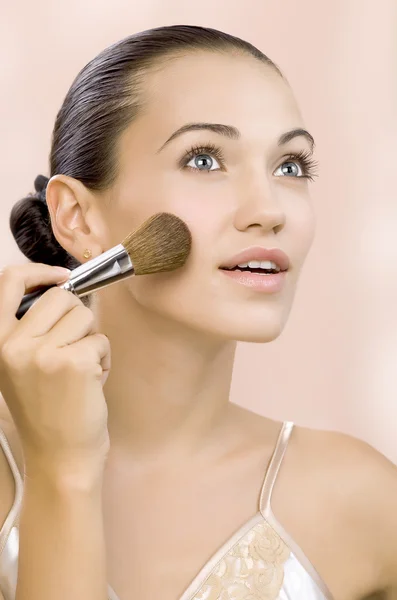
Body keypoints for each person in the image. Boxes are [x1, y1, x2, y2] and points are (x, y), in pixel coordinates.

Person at [0, 24, 396, 600]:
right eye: (205, 159)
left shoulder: (358, 500)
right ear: (78, 219)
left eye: (290, 166)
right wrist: (64, 469)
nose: (269, 210)